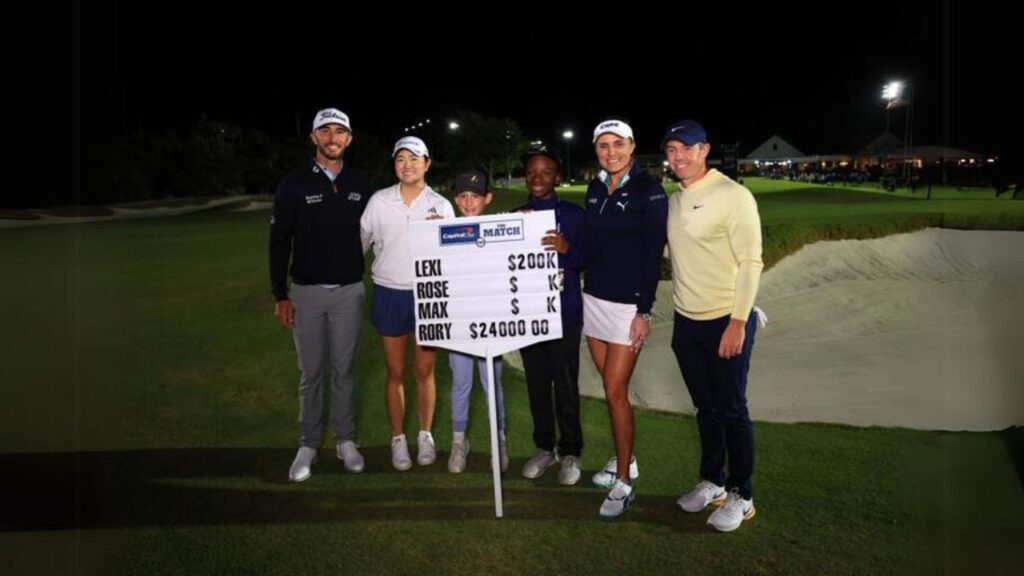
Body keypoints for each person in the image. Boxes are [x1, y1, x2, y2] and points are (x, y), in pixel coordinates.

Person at [662, 119, 764, 532]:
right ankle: (713, 481)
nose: (678, 156)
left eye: (686, 148)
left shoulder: (732, 195)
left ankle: (743, 494)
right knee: (705, 408)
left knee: (732, 409)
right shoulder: (673, 200)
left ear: (704, 150)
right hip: (686, 322)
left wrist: (738, 321)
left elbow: (751, 262)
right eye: (671, 150)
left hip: (726, 318)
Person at [270, 107, 371, 482]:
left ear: (349, 139)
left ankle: (346, 441)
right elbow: (279, 243)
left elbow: (383, 231)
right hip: (306, 294)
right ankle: (308, 443)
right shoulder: (293, 184)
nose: (332, 138)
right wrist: (280, 294)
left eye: (339, 131)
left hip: (350, 293)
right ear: (313, 138)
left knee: (344, 371)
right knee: (310, 373)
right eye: (324, 131)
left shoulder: (361, 182)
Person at [583, 120, 668, 517]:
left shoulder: (649, 190)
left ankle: (624, 482)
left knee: (616, 391)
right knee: (610, 387)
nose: (610, 151)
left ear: (632, 146)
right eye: (603, 145)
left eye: (618, 144)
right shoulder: (596, 187)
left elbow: (653, 254)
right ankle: (627, 460)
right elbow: (591, 245)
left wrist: (643, 311)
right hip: (593, 300)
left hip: (626, 308)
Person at [360, 136, 455, 471]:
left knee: (424, 370)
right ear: (394, 164)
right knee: (395, 371)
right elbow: (359, 245)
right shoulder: (378, 201)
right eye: (401, 158)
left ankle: (425, 434)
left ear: (427, 163)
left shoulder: (441, 205)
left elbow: (453, 255)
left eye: (415, 158)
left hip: (428, 294)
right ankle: (398, 438)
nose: (408, 164)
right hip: (388, 292)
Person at [514, 145, 586, 486]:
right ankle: (544, 447)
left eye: (545, 172)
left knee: (566, 387)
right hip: (529, 317)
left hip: (565, 315)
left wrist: (567, 249)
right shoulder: (517, 215)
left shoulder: (573, 214)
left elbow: (589, 258)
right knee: (537, 387)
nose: (537, 178)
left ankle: (571, 450)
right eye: (531, 172)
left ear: (557, 176)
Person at [446, 169, 509, 473]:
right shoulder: (444, 231)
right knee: (461, 382)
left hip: (492, 323)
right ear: (455, 199)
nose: (469, 202)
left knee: (491, 383)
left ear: (488, 198)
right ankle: (459, 441)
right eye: (462, 196)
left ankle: (499, 439)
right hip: (458, 323)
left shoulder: (500, 229)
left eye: (475, 196)